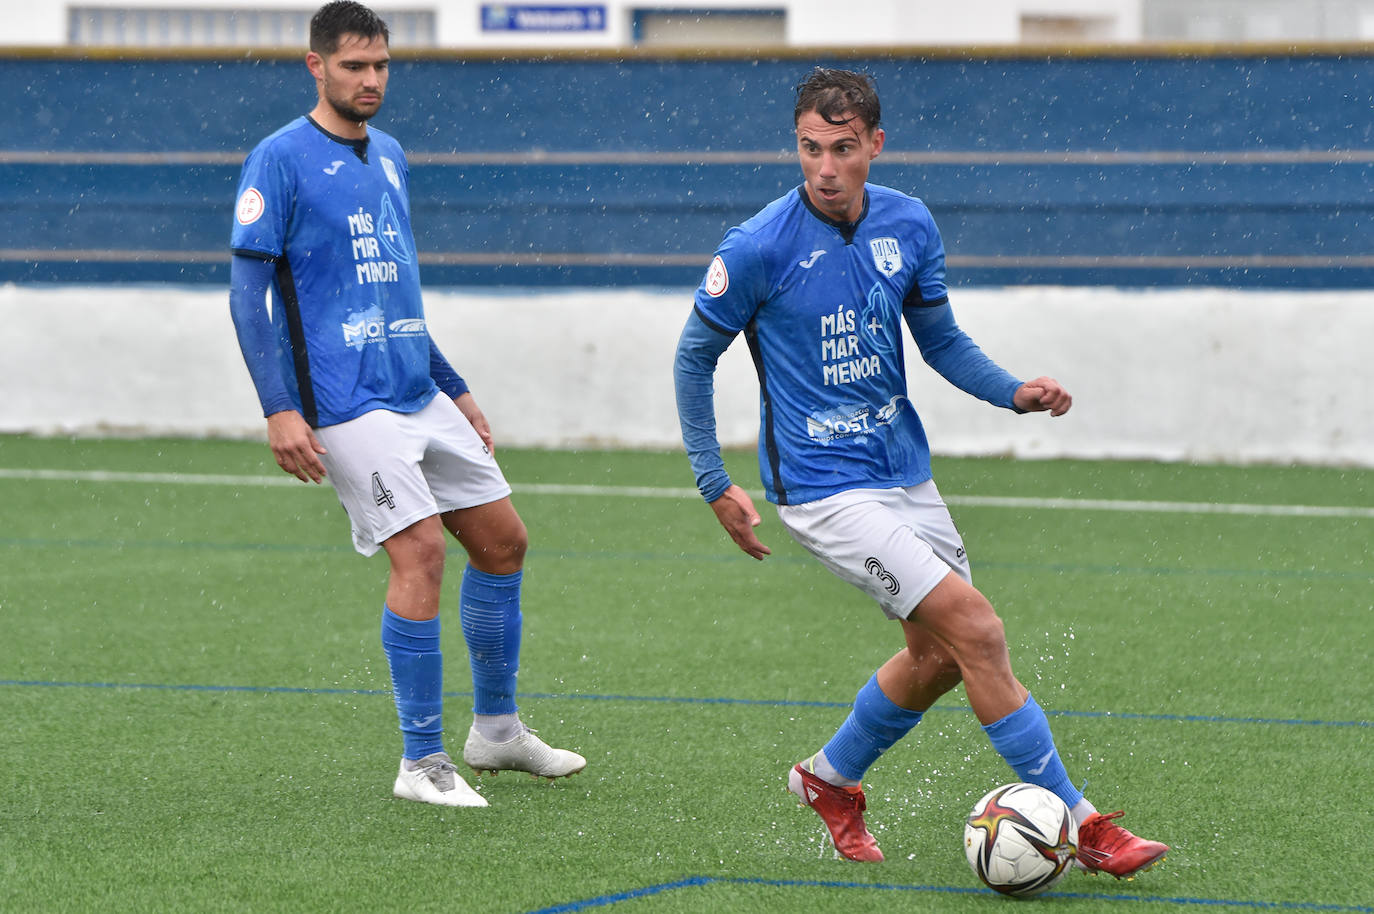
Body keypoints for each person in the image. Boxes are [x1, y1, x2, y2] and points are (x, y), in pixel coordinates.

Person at [673, 67, 1167, 878]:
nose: (824, 167)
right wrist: (712, 480)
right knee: (978, 629)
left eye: (841, 148)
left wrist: (1012, 391)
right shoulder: (757, 246)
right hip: (824, 488)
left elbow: (940, 341)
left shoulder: (908, 223)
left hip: (903, 470)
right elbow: (694, 360)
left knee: (939, 656)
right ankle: (1084, 826)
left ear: (874, 144)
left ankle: (827, 779)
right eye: (808, 148)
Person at [228, 0, 584, 808]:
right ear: (315, 66)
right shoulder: (278, 159)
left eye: (381, 65)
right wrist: (279, 408)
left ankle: (495, 732)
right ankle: (420, 764)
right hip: (346, 403)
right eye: (354, 66)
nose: (371, 80)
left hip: (415, 387)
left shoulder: (389, 154)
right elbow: (249, 297)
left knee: (502, 542)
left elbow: (395, 286)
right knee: (420, 552)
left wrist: (453, 385)